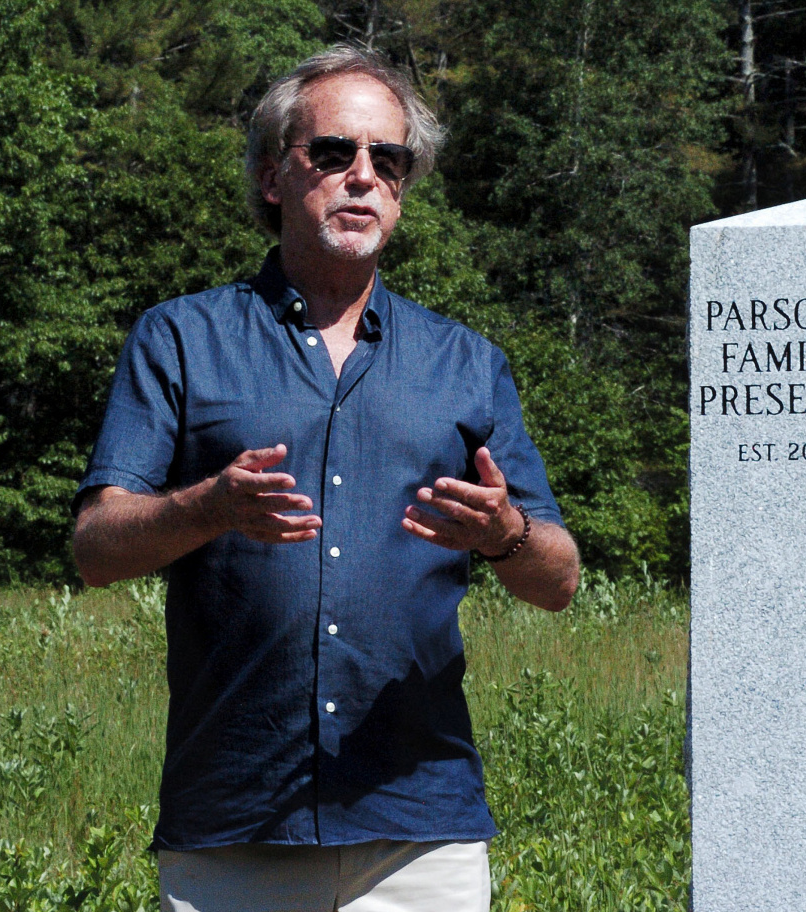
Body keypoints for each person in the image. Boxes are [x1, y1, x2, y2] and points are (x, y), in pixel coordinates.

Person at [72, 44, 580, 912]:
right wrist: (211, 505)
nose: (362, 176)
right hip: (235, 821)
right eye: (334, 152)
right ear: (274, 175)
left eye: (389, 160)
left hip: (419, 828)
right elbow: (95, 549)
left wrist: (504, 536)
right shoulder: (182, 339)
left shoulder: (465, 363)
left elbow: (558, 578)